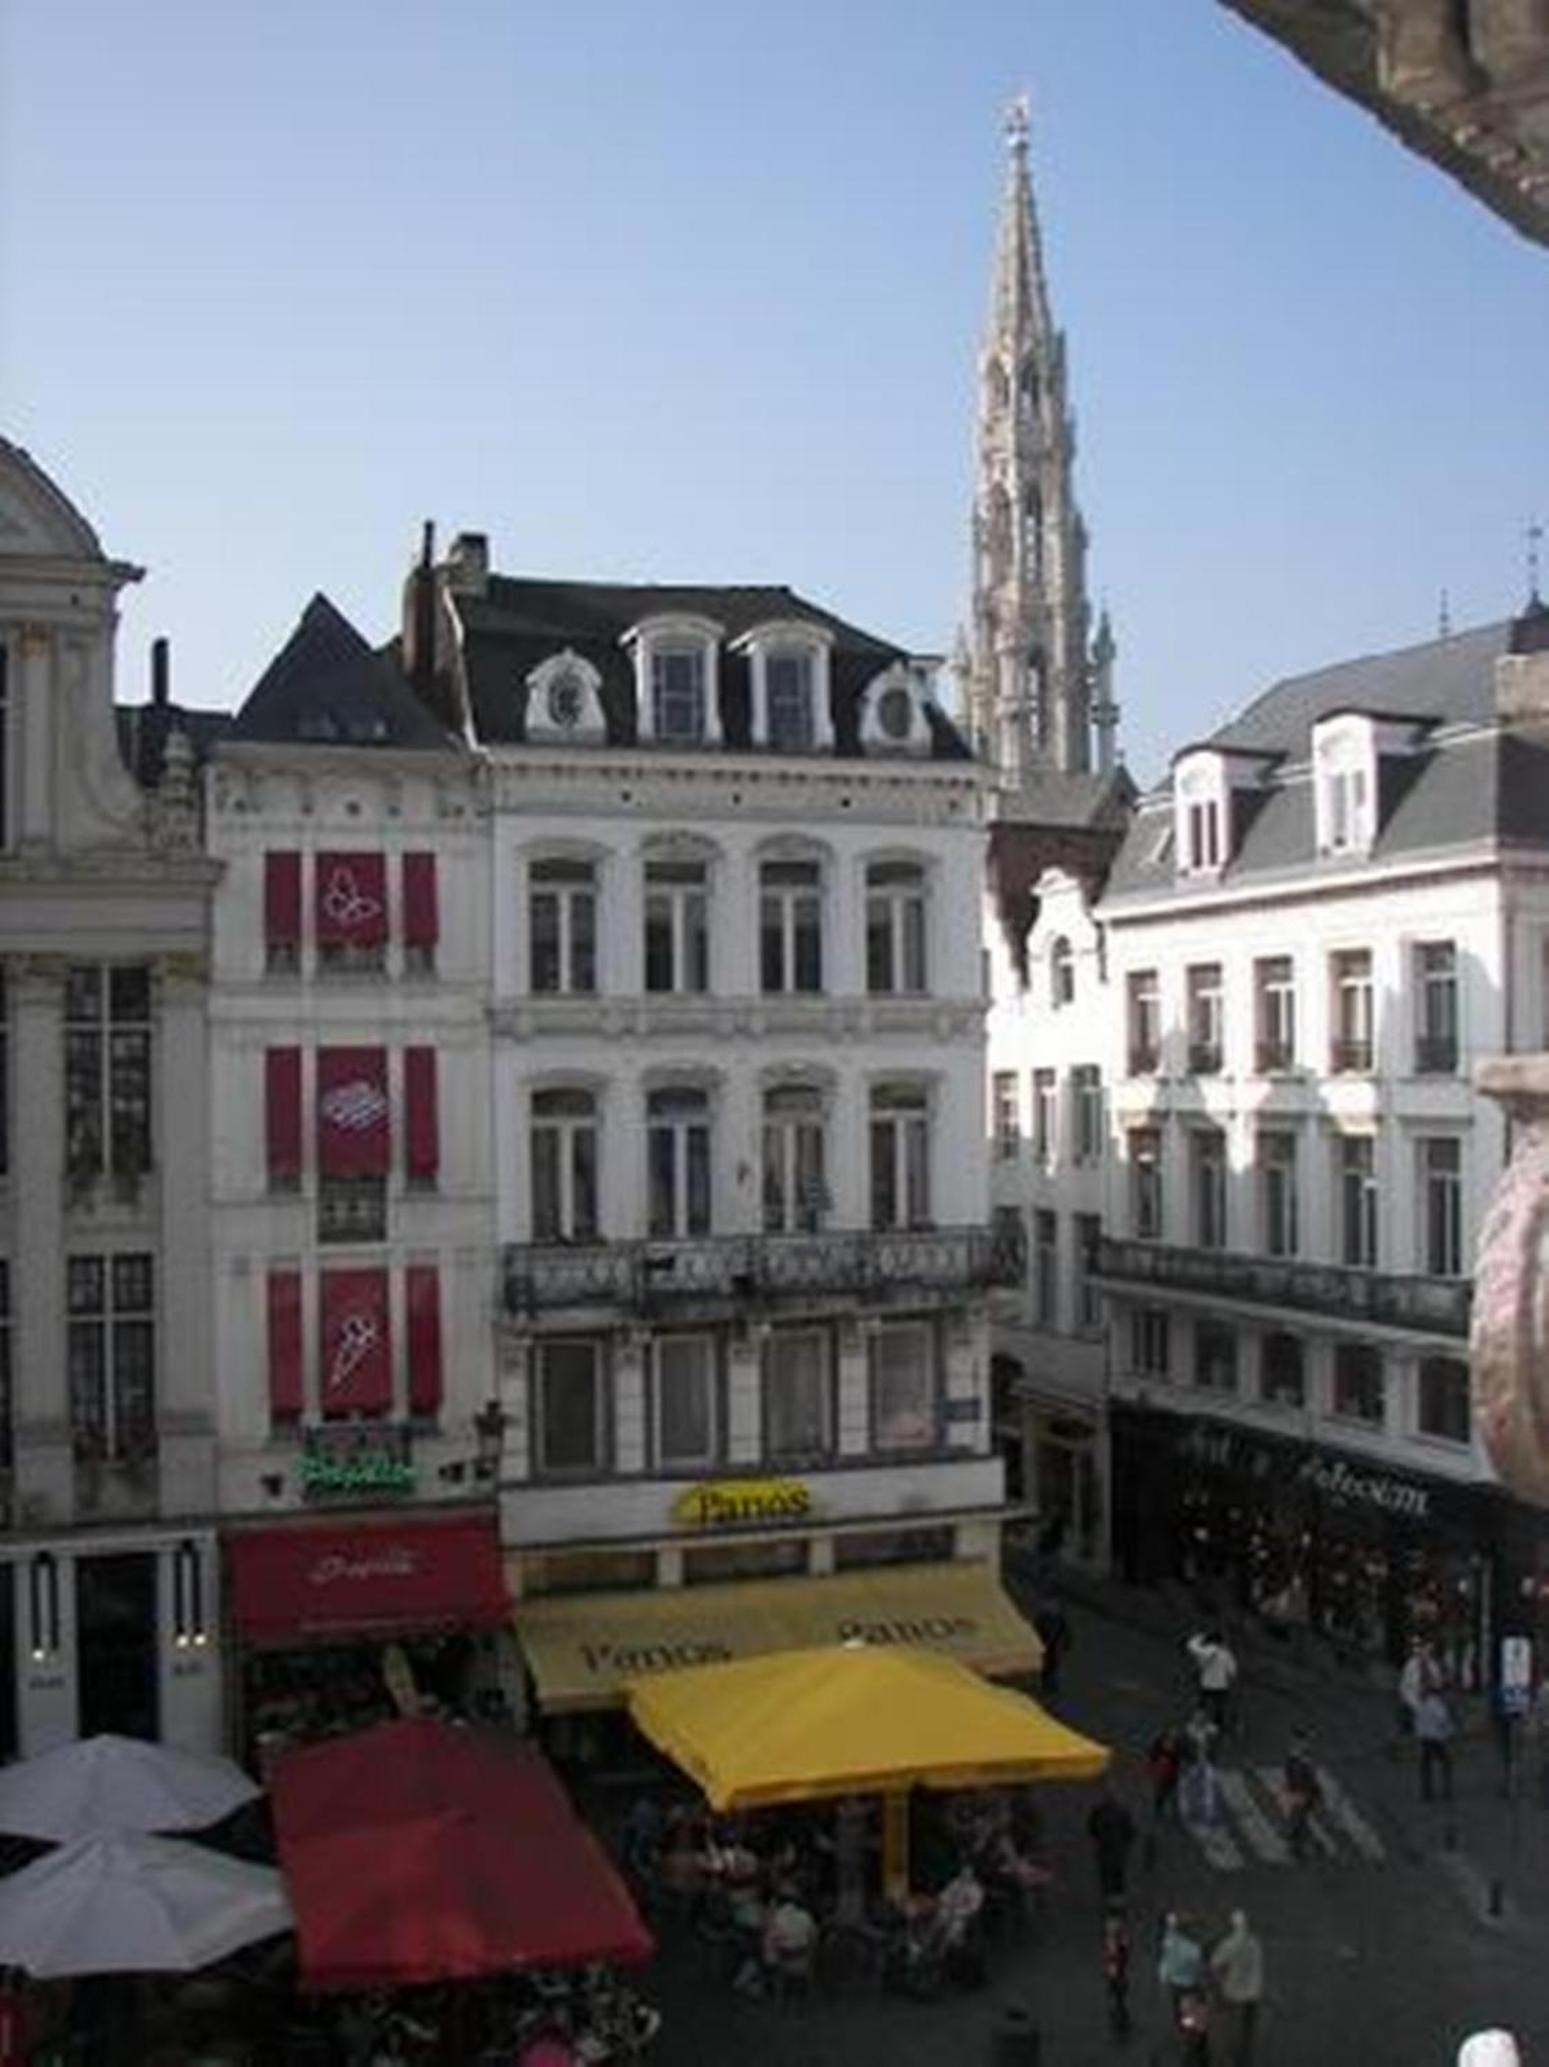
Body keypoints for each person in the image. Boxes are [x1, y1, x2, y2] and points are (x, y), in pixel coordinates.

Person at [1209, 1910, 1264, 2066]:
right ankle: (1246, 2057)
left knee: (1233, 2030)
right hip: (1253, 1992)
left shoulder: (1229, 1945)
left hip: (1234, 1993)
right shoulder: (1254, 1943)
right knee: (1248, 2031)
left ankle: (1234, 2058)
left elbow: (1215, 1963)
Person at [1087, 1785, 1137, 1901]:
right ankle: (1116, 1894)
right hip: (1114, 1847)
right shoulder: (1120, 1812)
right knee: (1114, 1871)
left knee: (1109, 1871)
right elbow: (1129, 1830)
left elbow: (1092, 1828)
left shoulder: (1100, 1812)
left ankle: (1111, 1894)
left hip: (1108, 1846)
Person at [1186, 1629, 1239, 1735]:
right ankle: (1215, 1726)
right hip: (1221, 1685)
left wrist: (1200, 1636)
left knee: (1202, 1704)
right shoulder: (1227, 1654)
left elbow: (1191, 1646)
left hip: (1207, 1683)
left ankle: (1196, 1725)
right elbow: (1232, 1671)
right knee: (1219, 1706)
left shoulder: (1207, 1650)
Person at [1157, 1911, 1205, 2027]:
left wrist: (1164, 1977)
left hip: (1176, 1982)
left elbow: (1166, 1960)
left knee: (1177, 2003)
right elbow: (1199, 1966)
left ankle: (1182, 2022)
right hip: (1191, 1982)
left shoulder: (1170, 1941)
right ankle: (1196, 2023)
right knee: (1199, 2002)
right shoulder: (1194, 1948)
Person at [1283, 1728, 1320, 1859]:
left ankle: (1301, 1843)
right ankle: (1296, 1845)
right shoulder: (1297, 1759)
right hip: (1300, 1793)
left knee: (1301, 1819)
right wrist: (1311, 1791)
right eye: (1306, 1740)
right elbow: (1298, 1778)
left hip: (1302, 1792)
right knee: (1299, 1820)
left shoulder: (1301, 1756)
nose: (1308, 1743)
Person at [1415, 1686, 1456, 1803]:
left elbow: (1418, 1723)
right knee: (1446, 1762)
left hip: (1424, 1739)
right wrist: (1450, 1732)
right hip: (1436, 1738)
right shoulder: (1438, 1705)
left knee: (1425, 1765)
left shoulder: (1421, 1705)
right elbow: (1443, 1720)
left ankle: (1426, 1792)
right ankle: (1446, 1790)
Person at [1101, 1900, 1132, 2040]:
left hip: (1113, 1956)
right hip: (1116, 1957)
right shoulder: (1118, 1926)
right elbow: (1123, 1942)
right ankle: (1118, 2004)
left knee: (1115, 1979)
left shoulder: (1109, 1924)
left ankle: (1116, 2001)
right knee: (1117, 1979)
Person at [1034, 1600, 1072, 1697]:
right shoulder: (1043, 1619)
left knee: (1052, 1667)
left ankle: (1052, 1687)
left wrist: (1066, 1645)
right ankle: (1048, 1687)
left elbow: (1065, 1634)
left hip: (1053, 1648)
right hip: (1047, 1647)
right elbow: (1036, 1630)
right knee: (1047, 1667)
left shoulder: (1058, 1620)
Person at [1148, 1725, 1184, 1827]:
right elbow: (1153, 1755)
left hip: (1172, 1773)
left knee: (1173, 1795)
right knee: (1161, 1794)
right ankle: (1158, 1813)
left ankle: (1174, 1815)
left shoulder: (1178, 1744)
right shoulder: (1160, 1742)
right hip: (1162, 1772)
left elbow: (1179, 1758)